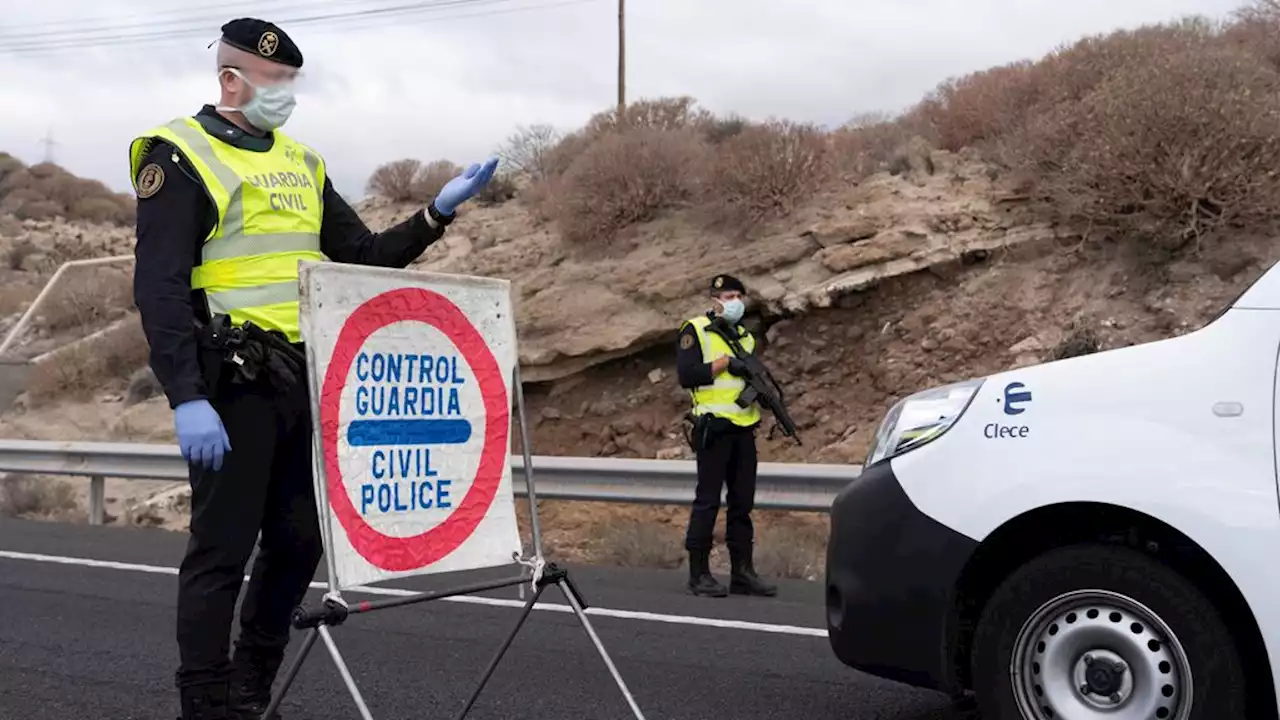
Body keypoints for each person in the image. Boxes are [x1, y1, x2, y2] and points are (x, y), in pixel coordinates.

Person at [128, 18, 498, 720]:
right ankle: (204, 706)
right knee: (221, 551)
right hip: (230, 382)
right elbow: (160, 287)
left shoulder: (303, 162)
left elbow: (361, 256)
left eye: (291, 82)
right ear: (231, 80)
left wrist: (435, 214)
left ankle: (249, 691)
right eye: (273, 81)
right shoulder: (178, 155)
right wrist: (185, 395)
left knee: (299, 540)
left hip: (303, 376)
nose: (284, 94)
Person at [674, 274, 777, 598]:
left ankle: (742, 573)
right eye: (727, 296)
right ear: (714, 299)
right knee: (707, 501)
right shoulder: (695, 330)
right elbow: (687, 376)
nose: (733, 302)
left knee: (742, 502)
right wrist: (723, 364)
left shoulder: (744, 337)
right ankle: (699, 573)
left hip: (744, 426)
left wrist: (759, 392)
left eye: (737, 296)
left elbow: (743, 381)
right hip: (712, 426)